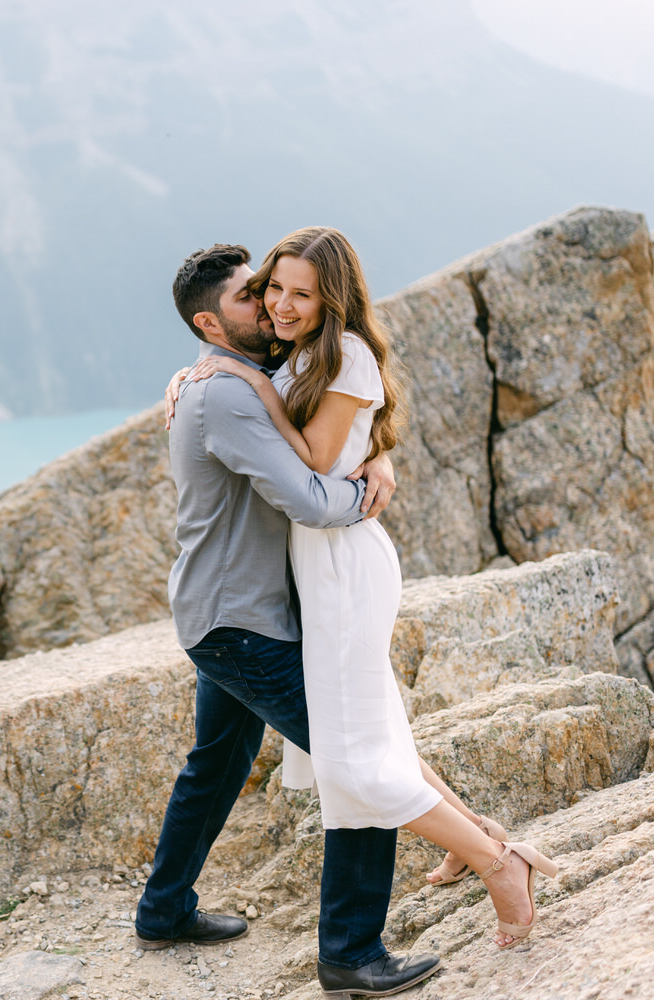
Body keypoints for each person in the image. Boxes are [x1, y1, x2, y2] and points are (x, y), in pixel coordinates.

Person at [171, 230, 559, 963]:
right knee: (362, 742)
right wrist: (223, 378)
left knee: (355, 757)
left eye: (292, 292)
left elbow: (320, 466)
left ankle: (489, 865)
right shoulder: (277, 357)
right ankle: (485, 845)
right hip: (309, 573)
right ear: (214, 327)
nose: (275, 304)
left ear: (330, 299)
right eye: (266, 291)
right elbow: (315, 434)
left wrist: (365, 466)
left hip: (343, 560)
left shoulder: (331, 352)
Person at [133, 242, 440, 999]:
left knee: (219, 761)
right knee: (352, 756)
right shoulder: (225, 391)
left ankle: (163, 908)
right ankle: (351, 953)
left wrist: (382, 457)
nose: (269, 304)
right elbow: (307, 497)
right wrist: (368, 495)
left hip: (225, 611)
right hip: (241, 623)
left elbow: (325, 418)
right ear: (210, 322)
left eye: (271, 289)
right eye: (252, 297)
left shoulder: (241, 373)